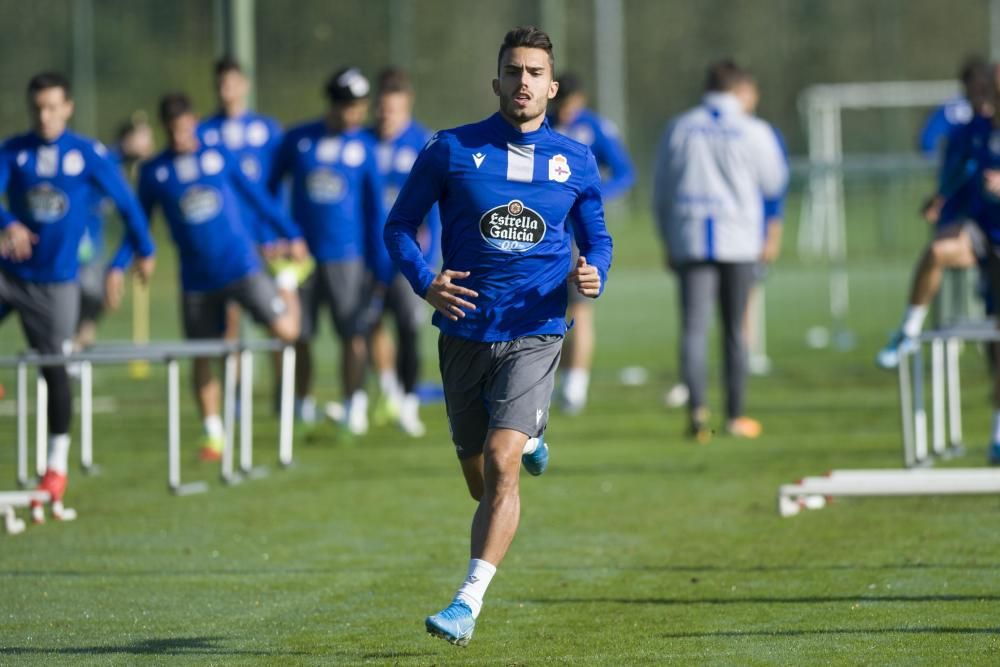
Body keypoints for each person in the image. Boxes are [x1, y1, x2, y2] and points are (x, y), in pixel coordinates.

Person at [384, 26, 613, 646]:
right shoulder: (450, 149)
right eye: (513, 71)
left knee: (500, 460)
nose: (523, 82)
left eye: (535, 72)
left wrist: (595, 272)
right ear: (497, 82)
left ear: (552, 86)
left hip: (536, 329)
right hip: (463, 331)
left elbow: (597, 238)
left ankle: (467, 602)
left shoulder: (576, 159)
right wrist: (424, 282)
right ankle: (533, 434)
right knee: (478, 480)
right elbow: (400, 226)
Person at [108, 93, 303, 461]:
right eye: (173, 131)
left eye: (185, 129)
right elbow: (138, 225)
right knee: (202, 354)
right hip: (196, 280)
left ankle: (286, 283)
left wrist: (290, 233)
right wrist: (118, 265)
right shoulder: (155, 173)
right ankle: (213, 432)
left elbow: (257, 197)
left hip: (242, 267)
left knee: (287, 332)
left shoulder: (217, 157)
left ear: (194, 122)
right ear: (165, 129)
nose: (181, 137)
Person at [0, 72, 156, 522]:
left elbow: (128, 206)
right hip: (10, 275)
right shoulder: (14, 150)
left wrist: (142, 251)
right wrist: (7, 222)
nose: (44, 116)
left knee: (55, 368)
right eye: (37, 108)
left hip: (56, 284)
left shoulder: (87, 154)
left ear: (67, 108)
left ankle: (55, 467)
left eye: (52, 107)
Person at [652, 59, 787, 443]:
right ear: (738, 88)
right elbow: (774, 182)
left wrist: (667, 238)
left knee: (693, 329)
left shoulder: (679, 127)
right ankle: (735, 415)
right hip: (739, 240)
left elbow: (661, 191)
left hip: (690, 238)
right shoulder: (753, 130)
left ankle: (697, 413)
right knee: (735, 330)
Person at [269, 67, 394, 436]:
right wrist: (280, 233)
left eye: (359, 106)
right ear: (333, 104)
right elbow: (269, 189)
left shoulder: (364, 148)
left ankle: (354, 403)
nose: (354, 113)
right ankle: (299, 403)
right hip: (301, 259)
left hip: (348, 257)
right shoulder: (298, 140)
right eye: (348, 106)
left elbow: (375, 212)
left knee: (352, 333)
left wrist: (379, 264)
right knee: (299, 334)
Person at [875, 59, 995, 369]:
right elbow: (963, 166)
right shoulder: (975, 130)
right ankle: (908, 331)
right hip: (984, 233)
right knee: (937, 251)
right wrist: (940, 197)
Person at [549, 72, 634, 414]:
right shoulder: (542, 124)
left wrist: (593, 196)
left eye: (571, 105)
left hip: (576, 234)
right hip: (544, 231)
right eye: (561, 105)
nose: (566, 112)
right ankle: (549, 380)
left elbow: (626, 172)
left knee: (579, 306)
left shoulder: (595, 128)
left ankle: (575, 386)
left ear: (580, 100)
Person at [365, 67, 440, 437]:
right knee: (371, 324)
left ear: (406, 105)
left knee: (409, 328)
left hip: (410, 254)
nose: (385, 116)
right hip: (369, 255)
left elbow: (438, 209)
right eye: (381, 109)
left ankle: (408, 401)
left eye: (392, 109)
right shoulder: (362, 144)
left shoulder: (423, 144)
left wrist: (434, 256)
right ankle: (388, 390)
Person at [74, 112, 155, 353]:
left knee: (95, 304)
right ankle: (70, 348)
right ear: (127, 139)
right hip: (78, 246)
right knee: (94, 295)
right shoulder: (105, 161)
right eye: (143, 138)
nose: (149, 144)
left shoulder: (129, 169)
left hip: (94, 249)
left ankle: (78, 348)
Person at [919, 56, 987, 159]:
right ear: (967, 83)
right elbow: (929, 141)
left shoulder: (992, 109)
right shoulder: (952, 110)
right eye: (977, 83)